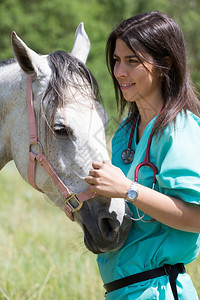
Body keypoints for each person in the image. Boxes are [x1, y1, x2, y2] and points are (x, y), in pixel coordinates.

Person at [85, 10, 200, 300]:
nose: (119, 71)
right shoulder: (126, 130)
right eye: (116, 60)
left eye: (132, 61)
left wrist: (128, 189)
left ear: (165, 64)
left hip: (158, 290)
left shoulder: (180, 129)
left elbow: (197, 218)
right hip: (121, 291)